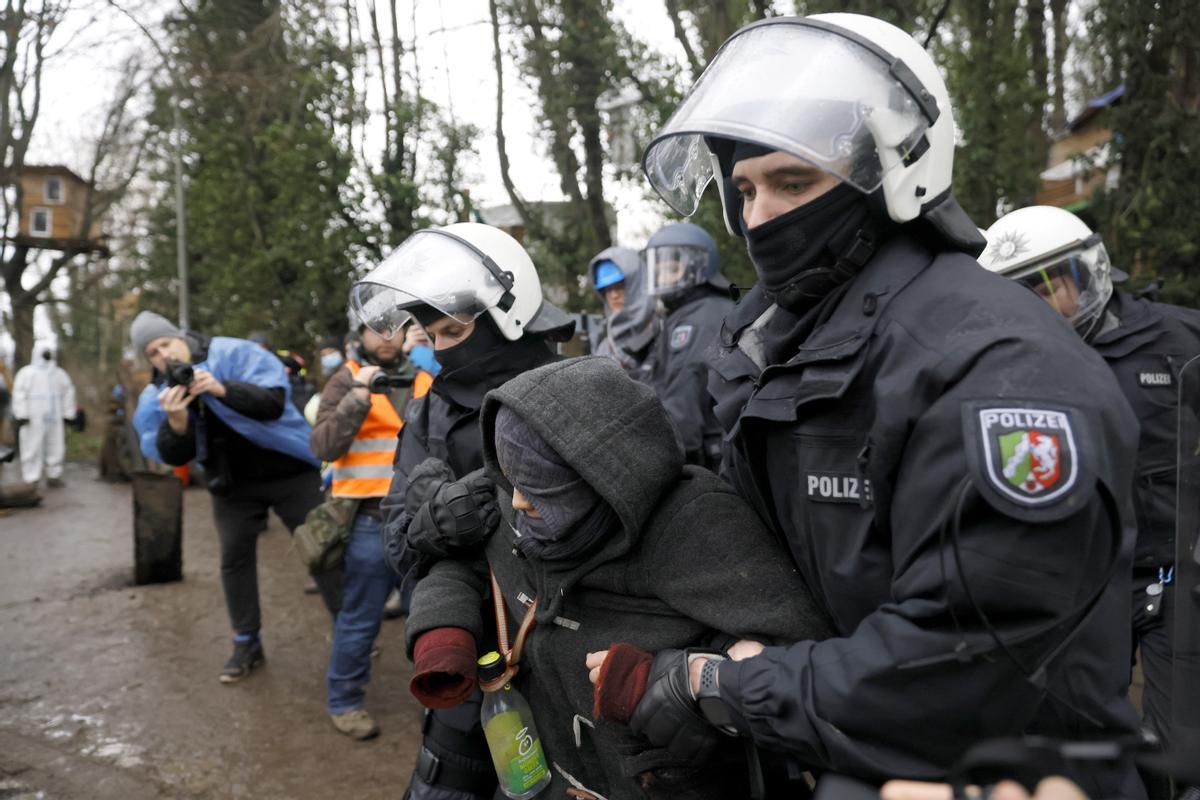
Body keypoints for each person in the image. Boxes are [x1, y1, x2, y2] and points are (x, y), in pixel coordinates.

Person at [604, 12, 1144, 797]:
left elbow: (965, 663)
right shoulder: (784, 342)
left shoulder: (998, 369)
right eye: (744, 188)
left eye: (793, 182)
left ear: (895, 172)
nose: (759, 218)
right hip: (844, 753)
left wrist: (721, 686)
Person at [403, 355, 834, 799]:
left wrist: (665, 684)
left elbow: (800, 672)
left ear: (595, 475)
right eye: (510, 480)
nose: (516, 503)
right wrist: (443, 630)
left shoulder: (697, 526)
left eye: (536, 487)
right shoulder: (528, 514)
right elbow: (467, 563)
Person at [979, 205, 1200, 798]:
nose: (1043, 302)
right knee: (1081, 738)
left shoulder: (1177, 338)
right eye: (1022, 291)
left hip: (1173, 569)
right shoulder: (1008, 363)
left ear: (1090, 271)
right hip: (1080, 583)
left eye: (1053, 282)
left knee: (1181, 745)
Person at [351, 221, 575, 799]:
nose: (442, 347)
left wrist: (497, 503)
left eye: (455, 329)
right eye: (433, 335)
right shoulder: (430, 411)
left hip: (566, 670)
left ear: (510, 315)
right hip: (461, 663)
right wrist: (436, 524)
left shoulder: (574, 391)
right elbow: (398, 544)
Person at [129, 311, 341, 683]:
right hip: (231, 486)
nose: (163, 354)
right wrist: (177, 424)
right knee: (233, 559)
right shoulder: (158, 395)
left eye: (165, 343)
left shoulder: (232, 353)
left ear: (179, 337)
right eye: (152, 352)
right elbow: (171, 454)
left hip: (289, 471)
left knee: (323, 548)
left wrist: (221, 389)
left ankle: (349, 630)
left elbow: (273, 402)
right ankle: (247, 643)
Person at [309, 316, 434, 740]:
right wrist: (359, 395)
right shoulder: (346, 379)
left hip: (423, 523)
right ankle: (344, 701)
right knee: (360, 619)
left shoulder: (424, 376)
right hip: (369, 523)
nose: (387, 337)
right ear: (358, 334)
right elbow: (323, 445)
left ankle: (439, 706)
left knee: (430, 615)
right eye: (376, 329)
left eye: (395, 328)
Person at [639, 222, 732, 470]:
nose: (661, 278)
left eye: (670, 268)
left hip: (702, 463)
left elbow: (683, 408)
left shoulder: (696, 321)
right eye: (656, 270)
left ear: (697, 266)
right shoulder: (694, 312)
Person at [11, 340, 76, 487]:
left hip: (55, 417)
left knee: (56, 445)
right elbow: (19, 394)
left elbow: (68, 392)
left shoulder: (59, 374)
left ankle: (54, 474)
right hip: (33, 417)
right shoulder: (27, 373)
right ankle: (31, 477)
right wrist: (21, 414)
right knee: (31, 446)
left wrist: (68, 413)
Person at [587, 247, 660, 374]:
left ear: (636, 285)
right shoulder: (603, 339)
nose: (614, 296)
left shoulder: (661, 329)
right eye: (608, 289)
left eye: (619, 287)